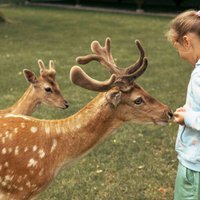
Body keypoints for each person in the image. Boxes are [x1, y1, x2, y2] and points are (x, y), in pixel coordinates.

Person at [166, 10, 200, 200]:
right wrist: (189, 112)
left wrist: (188, 118)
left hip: (195, 167)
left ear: (187, 42)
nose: (179, 55)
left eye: (177, 47)